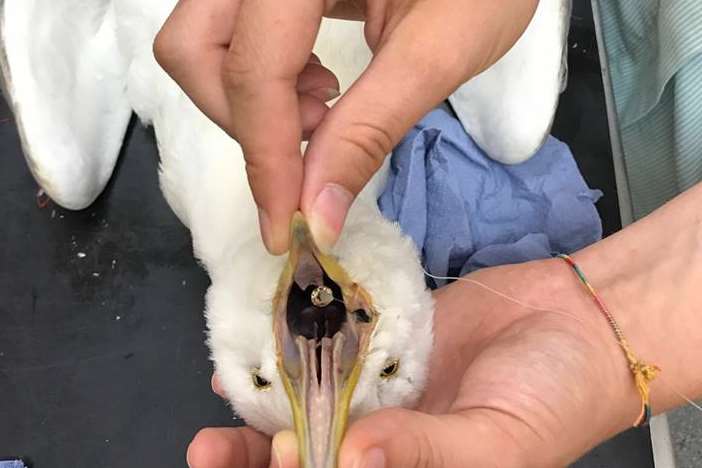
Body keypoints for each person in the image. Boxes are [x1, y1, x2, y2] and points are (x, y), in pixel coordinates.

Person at [153, 1, 702, 466]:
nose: (322, 364)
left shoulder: (189, 180)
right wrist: (608, 329)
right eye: (388, 368)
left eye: (261, 379)